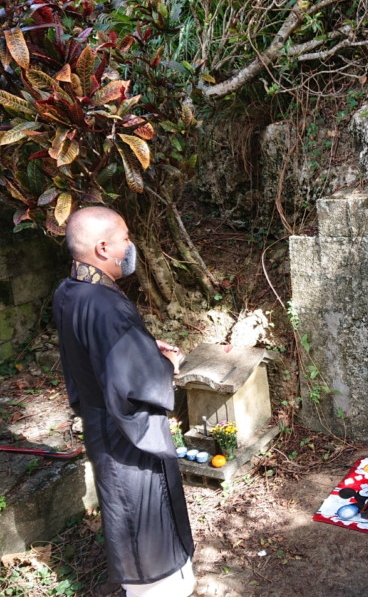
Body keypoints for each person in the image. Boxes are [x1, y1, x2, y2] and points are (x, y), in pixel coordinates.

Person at [52, 206, 195, 597]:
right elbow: (135, 383)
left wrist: (146, 347)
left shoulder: (70, 291)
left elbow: (95, 354)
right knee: (143, 516)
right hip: (126, 435)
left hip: (101, 426)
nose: (130, 246)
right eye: (126, 238)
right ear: (102, 248)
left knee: (123, 509)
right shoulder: (106, 304)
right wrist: (166, 363)